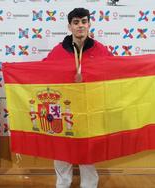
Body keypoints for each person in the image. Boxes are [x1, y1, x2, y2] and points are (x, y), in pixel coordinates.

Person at [44, 8, 113, 188]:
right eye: (76, 22)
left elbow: (114, 73)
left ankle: (89, 185)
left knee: (88, 149)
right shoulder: (58, 51)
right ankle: (62, 183)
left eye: (83, 21)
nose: (80, 26)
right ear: (70, 26)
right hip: (62, 108)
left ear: (89, 24)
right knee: (61, 149)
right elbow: (42, 73)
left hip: (90, 107)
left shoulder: (100, 50)